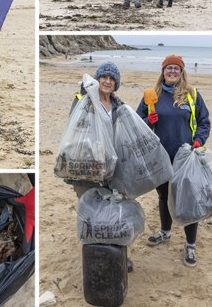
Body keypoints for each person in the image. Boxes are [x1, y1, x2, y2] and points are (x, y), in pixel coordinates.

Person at [136, 55, 210, 268]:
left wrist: (198, 141)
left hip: (186, 157)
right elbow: (134, 123)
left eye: (176, 69)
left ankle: (191, 245)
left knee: (188, 200)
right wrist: (146, 121)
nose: (172, 72)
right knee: (163, 196)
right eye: (168, 68)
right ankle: (165, 232)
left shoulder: (192, 95)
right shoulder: (151, 95)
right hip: (159, 157)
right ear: (163, 71)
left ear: (182, 72)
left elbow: (204, 122)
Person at [64, 61, 134, 273]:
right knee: (92, 214)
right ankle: (96, 257)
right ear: (97, 79)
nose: (107, 81)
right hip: (88, 171)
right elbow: (73, 131)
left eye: (112, 79)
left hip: (114, 172)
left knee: (116, 214)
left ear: (116, 84)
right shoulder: (83, 102)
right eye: (104, 77)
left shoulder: (120, 106)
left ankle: (118, 257)